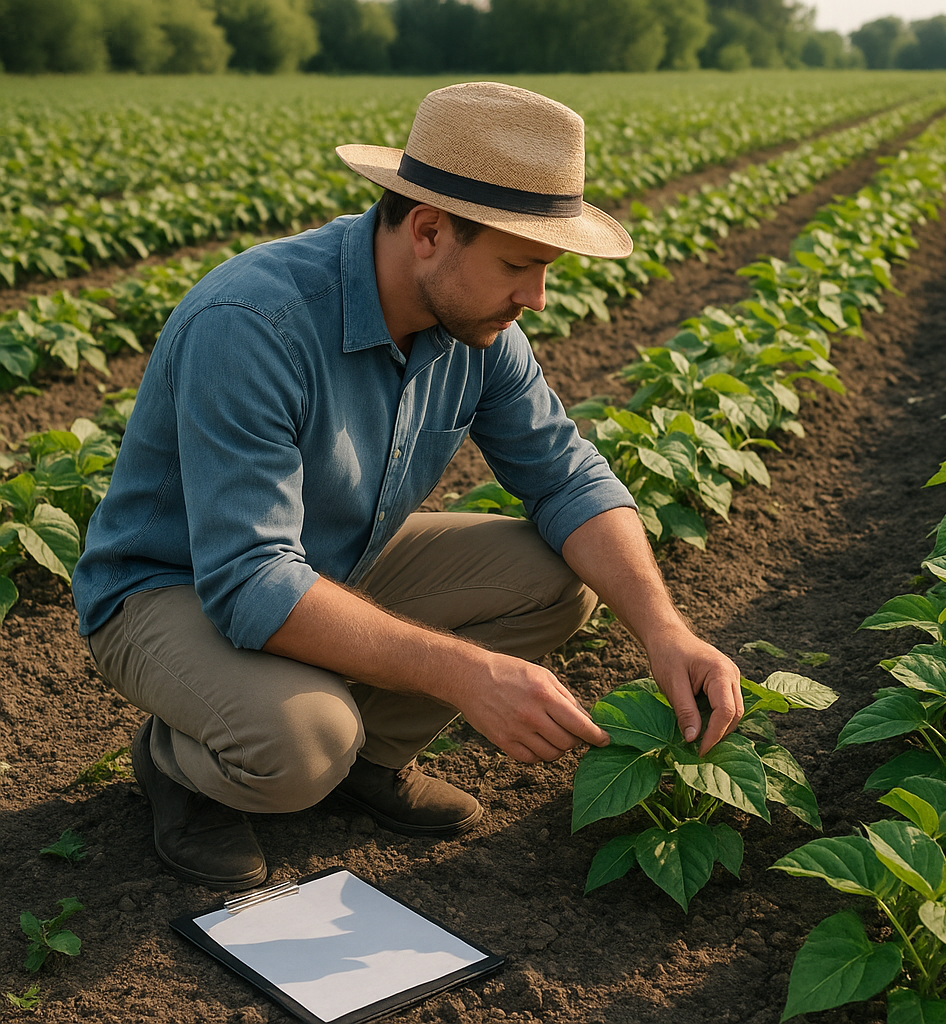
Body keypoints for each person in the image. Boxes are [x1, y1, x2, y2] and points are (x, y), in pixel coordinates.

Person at [72, 82, 743, 892]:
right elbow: (249, 581)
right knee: (302, 743)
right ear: (428, 231)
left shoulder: (477, 327)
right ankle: (181, 765)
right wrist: (466, 673)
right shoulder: (253, 324)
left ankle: (371, 759)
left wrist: (666, 632)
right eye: (519, 265)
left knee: (559, 578)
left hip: (328, 562)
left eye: (545, 270)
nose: (535, 298)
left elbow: (567, 476)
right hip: (172, 585)